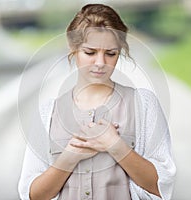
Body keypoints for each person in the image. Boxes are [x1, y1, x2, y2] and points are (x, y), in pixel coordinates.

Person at [18, 4, 176, 200]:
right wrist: (69, 157)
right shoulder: (48, 112)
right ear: (73, 48)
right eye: (90, 52)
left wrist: (116, 145)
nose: (100, 63)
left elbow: (161, 186)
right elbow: (32, 195)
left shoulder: (143, 104)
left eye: (110, 54)